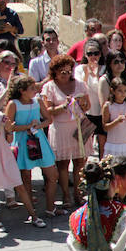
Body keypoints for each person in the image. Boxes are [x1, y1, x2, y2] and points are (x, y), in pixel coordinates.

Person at [6, 75, 62, 217]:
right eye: (32, 88)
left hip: (39, 140)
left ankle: (51, 208)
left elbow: (48, 119)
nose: (35, 90)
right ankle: (32, 212)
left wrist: (38, 125)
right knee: (26, 176)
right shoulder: (13, 104)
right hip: (22, 142)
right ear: (22, 91)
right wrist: (27, 127)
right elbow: (9, 128)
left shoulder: (38, 101)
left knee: (52, 174)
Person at [0, 90, 44, 230]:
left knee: (19, 185)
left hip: (4, 154)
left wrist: (8, 130)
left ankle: (34, 216)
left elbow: (9, 139)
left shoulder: (1, 116)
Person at [39, 54, 89, 208]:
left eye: (69, 72)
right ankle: (66, 195)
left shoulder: (80, 84)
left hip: (79, 126)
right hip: (60, 128)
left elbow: (88, 106)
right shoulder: (49, 87)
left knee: (80, 162)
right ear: (55, 72)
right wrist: (63, 106)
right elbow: (47, 111)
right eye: (63, 72)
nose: (67, 75)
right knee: (63, 165)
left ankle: (78, 194)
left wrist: (81, 102)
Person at [74, 39, 107, 157]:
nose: (93, 56)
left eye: (96, 53)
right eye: (90, 54)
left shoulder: (105, 69)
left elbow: (103, 88)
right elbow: (80, 89)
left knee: (103, 145)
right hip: (87, 112)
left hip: (101, 112)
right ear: (85, 55)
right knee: (84, 146)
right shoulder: (79, 69)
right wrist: (88, 73)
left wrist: (97, 74)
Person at [102, 78, 126, 163]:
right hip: (114, 144)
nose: (123, 94)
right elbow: (105, 127)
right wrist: (116, 121)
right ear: (112, 91)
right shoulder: (108, 106)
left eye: (125, 91)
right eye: (120, 91)